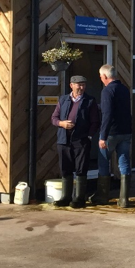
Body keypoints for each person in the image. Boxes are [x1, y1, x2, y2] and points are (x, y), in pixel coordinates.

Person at [50, 75, 100, 208]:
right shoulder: (63, 99)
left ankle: (79, 198)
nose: (81, 87)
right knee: (65, 168)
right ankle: (65, 197)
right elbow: (54, 118)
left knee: (81, 169)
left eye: (84, 85)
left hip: (81, 140)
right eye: (79, 85)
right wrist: (61, 123)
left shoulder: (89, 101)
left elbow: (95, 121)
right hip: (64, 140)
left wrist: (89, 136)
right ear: (71, 85)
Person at [93, 64, 134, 208]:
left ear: (105, 76)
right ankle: (124, 199)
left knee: (104, 162)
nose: (100, 79)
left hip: (111, 133)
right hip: (126, 131)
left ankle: (102, 196)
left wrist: (102, 136)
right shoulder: (124, 89)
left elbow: (107, 114)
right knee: (124, 162)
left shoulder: (107, 91)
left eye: (101, 76)